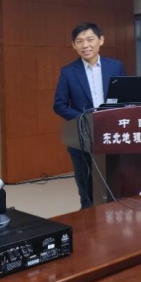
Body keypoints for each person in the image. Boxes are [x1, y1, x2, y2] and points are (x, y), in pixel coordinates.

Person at [53, 22, 126, 209]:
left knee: (114, 184)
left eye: (90, 39)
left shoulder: (115, 67)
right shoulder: (68, 72)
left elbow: (125, 99)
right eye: (79, 41)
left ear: (101, 40)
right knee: (86, 189)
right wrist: (85, 119)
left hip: (111, 134)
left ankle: (113, 218)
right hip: (81, 138)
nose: (85, 45)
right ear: (73, 45)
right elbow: (59, 105)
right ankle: (88, 219)